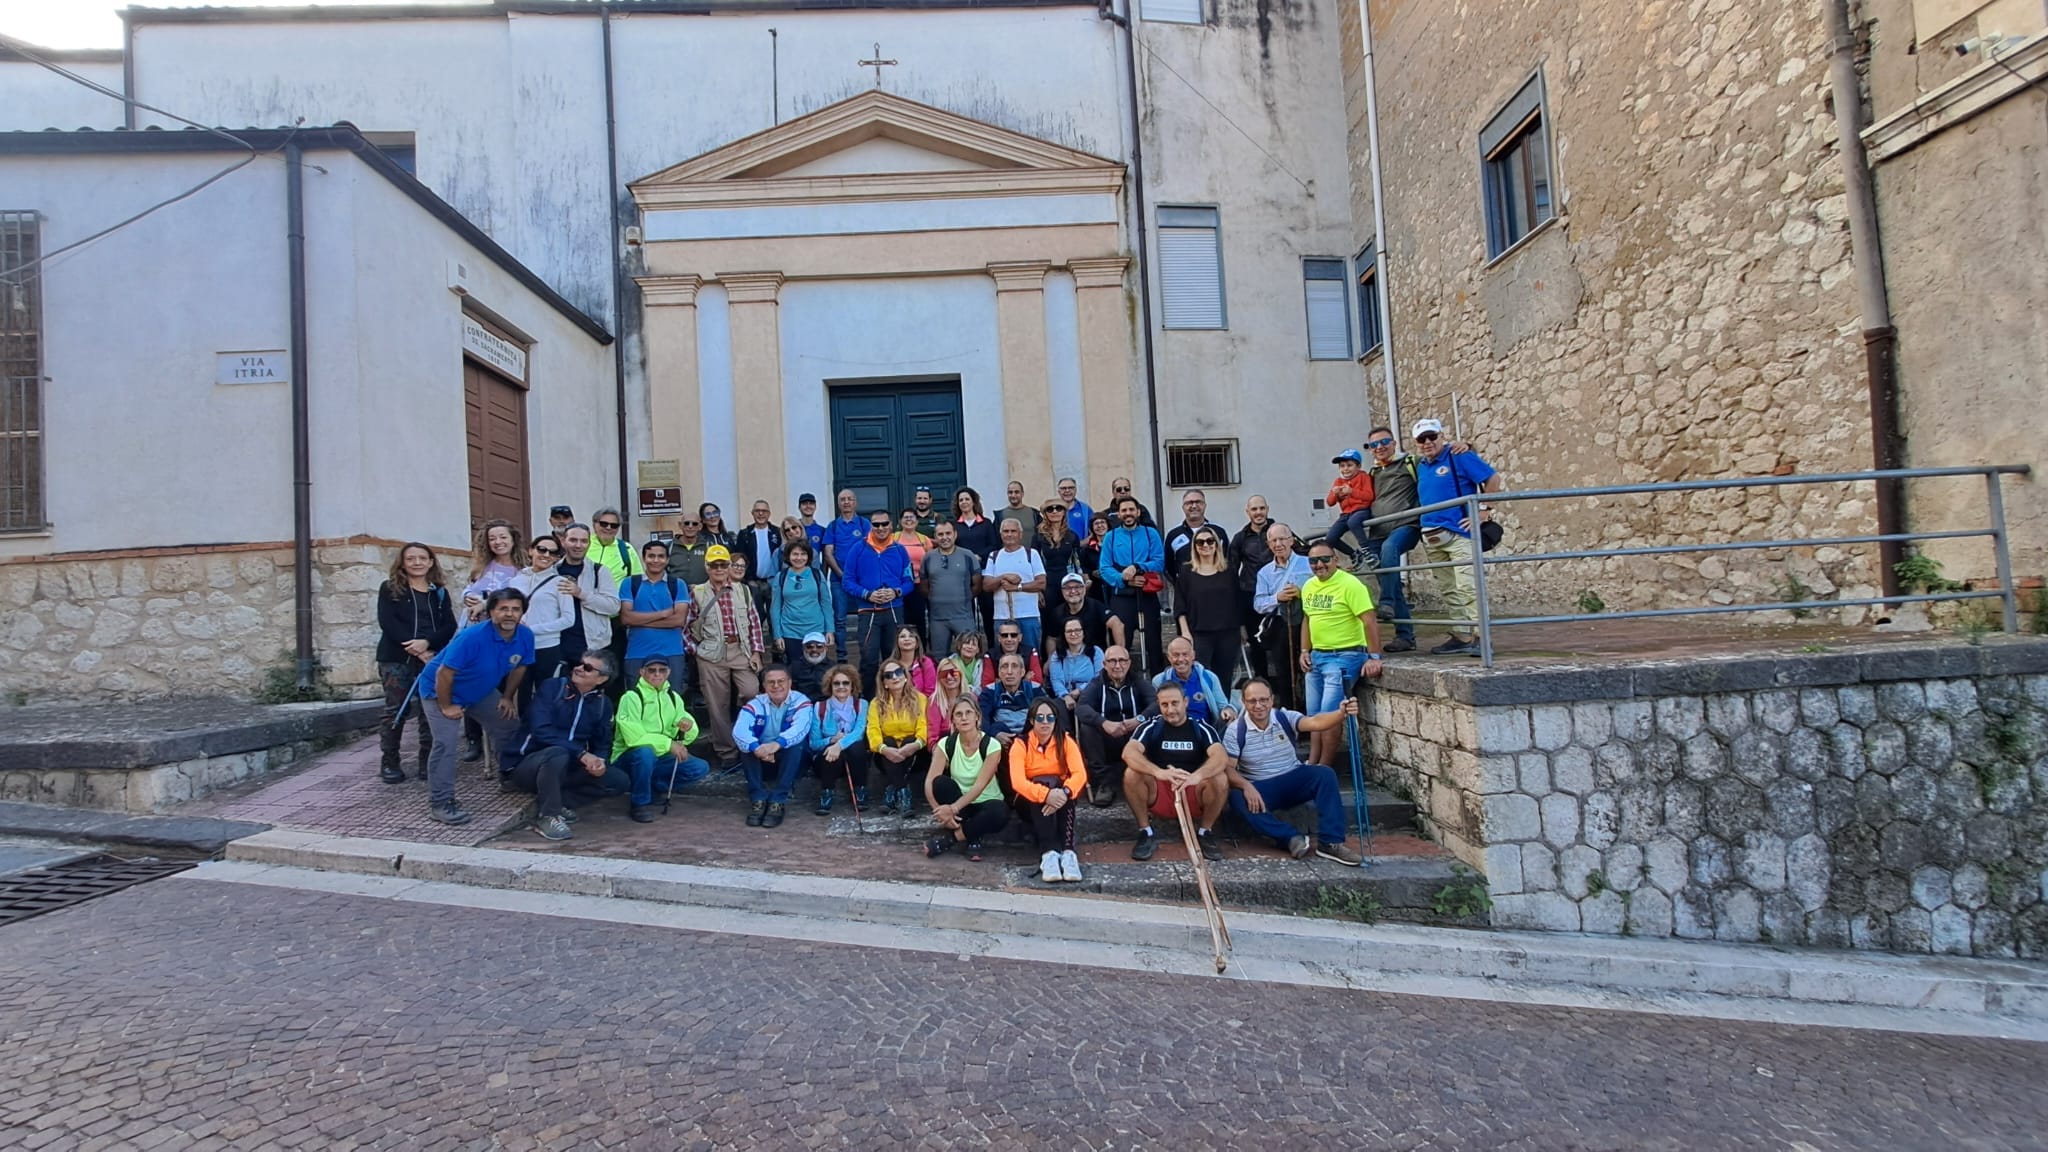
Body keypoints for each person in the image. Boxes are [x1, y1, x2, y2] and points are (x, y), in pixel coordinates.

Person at [419, 587, 534, 825]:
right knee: (446, 744)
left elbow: (521, 666)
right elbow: (444, 672)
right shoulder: (472, 637)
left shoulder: (525, 636)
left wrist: (506, 697)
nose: (509, 614)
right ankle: (441, 803)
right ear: (491, 612)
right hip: (440, 691)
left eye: (515, 609)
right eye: (503, 609)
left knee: (508, 724)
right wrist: (447, 706)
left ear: (522, 613)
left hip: (479, 691)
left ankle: (508, 774)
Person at [1223, 682, 1366, 865]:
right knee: (1236, 797)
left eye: (1263, 700)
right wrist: (1245, 785)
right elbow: (1228, 768)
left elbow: (1315, 722)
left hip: (1293, 777)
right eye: (1252, 701)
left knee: (1324, 774)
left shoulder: (1284, 717)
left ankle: (1330, 842)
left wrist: (1341, 713)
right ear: (1243, 702)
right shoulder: (1235, 730)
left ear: (1272, 699)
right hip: (1261, 787)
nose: (1258, 705)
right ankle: (1290, 838)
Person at [506, 651, 620, 841]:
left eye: (588, 668)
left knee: (618, 780)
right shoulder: (553, 688)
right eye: (580, 663)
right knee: (557, 753)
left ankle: (557, 801)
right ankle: (547, 816)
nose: (579, 668)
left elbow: (602, 742)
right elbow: (540, 730)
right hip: (528, 764)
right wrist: (581, 753)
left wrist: (599, 761)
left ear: (601, 679)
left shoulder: (603, 704)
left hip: (567, 768)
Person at [1409, 419, 1501, 655]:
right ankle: (1462, 635)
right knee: (1449, 588)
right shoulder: (1421, 465)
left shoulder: (1458, 455)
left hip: (1460, 531)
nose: (1428, 442)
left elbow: (1492, 478)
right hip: (1432, 534)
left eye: (1432, 437)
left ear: (1441, 436)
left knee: (1468, 586)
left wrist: (1484, 511)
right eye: (1422, 439)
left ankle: (1482, 637)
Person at [1299, 540, 1386, 768]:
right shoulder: (1308, 586)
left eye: (1324, 559)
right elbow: (1308, 620)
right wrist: (1304, 650)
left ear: (1336, 560)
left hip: (1344, 656)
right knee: (1314, 717)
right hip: (1317, 657)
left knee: (1329, 716)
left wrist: (1374, 657)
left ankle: (1325, 770)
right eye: (1313, 561)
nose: (1319, 564)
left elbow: (1369, 622)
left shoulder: (1351, 585)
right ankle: (1313, 762)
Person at [375, 542, 458, 783]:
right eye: (411, 558)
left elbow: (449, 625)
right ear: (402, 562)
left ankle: (426, 763)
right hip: (396, 658)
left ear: (431, 562)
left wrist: (427, 644)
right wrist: (413, 647)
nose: (417, 563)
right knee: (396, 709)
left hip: (431, 658)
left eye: (423, 558)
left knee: (429, 711)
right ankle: (389, 762)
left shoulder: (438, 592)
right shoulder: (390, 589)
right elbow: (388, 622)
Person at [1123, 681, 1228, 861]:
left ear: (1185, 702)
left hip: (1192, 789)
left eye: (1175, 703)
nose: (1170, 710)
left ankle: (1205, 832)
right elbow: (1129, 752)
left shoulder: (1200, 726)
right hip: (1161, 791)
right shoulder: (1151, 726)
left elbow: (1220, 757)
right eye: (1164, 704)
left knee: (1220, 778)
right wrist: (1159, 772)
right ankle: (1145, 832)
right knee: (1131, 774)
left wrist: (1197, 776)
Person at [685, 544, 765, 769]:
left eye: (723, 564)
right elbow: (687, 626)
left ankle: (748, 740)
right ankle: (727, 752)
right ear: (707, 567)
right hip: (711, 654)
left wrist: (757, 651)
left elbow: (754, 624)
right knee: (716, 705)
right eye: (714, 565)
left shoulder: (744, 590)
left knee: (751, 693)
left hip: (741, 650)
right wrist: (696, 651)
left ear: (729, 566)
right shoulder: (697, 592)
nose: (719, 569)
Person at [609, 653, 708, 823]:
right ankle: (639, 803)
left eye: (662, 670)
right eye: (652, 670)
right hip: (629, 756)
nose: (657, 674)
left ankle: (652, 788)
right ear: (642, 672)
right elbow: (634, 738)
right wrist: (669, 744)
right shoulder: (631, 697)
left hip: (661, 754)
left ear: (668, 672)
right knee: (645, 753)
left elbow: (684, 724)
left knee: (699, 767)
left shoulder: (672, 696)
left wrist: (689, 726)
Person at [519, 523, 621, 685]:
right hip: (554, 643)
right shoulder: (551, 570)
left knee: (587, 693)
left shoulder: (599, 571)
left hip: (590, 644)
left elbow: (613, 606)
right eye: (573, 540)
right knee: (553, 692)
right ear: (563, 541)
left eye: (583, 541)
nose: (578, 545)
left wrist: (581, 594)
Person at [1009, 700, 1087, 883]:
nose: (1045, 722)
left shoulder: (1065, 740)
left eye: (1050, 718)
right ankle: (1049, 853)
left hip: (1060, 797)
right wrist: (1046, 795)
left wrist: (1063, 793)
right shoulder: (1020, 744)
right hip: (1028, 802)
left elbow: (1080, 774)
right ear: (1031, 720)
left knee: (1064, 787)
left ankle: (1068, 853)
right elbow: (1018, 782)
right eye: (1040, 718)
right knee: (1044, 783)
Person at [923, 696, 1008, 861]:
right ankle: (973, 838)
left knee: (1000, 812)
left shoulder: (992, 745)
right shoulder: (945, 744)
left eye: (969, 712)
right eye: (959, 714)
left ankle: (950, 840)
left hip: (986, 801)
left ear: (977, 716)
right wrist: (940, 813)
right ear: (953, 720)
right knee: (939, 783)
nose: (964, 717)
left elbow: (980, 785)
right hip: (960, 802)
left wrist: (952, 809)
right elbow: (929, 781)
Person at [1073, 646, 1155, 807]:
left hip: (1134, 736)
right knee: (1087, 728)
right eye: (1112, 661)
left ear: (1129, 663)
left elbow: (1156, 703)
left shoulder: (1138, 681)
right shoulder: (1097, 684)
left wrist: (1139, 719)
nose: (1118, 665)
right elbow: (1081, 707)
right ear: (1104, 664)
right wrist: (1103, 722)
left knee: (1153, 725)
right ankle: (1104, 783)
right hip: (1107, 737)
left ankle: (1145, 779)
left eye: (1122, 660)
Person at [732, 665, 811, 827]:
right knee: (746, 745)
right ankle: (758, 799)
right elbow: (739, 730)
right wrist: (757, 748)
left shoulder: (801, 701)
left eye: (781, 681)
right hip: (764, 757)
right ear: (764, 686)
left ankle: (778, 801)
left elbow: (800, 729)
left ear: (790, 683)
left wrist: (776, 745)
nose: (776, 686)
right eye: (771, 682)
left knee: (795, 744)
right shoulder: (755, 703)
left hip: (791, 759)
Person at [842, 509, 913, 689]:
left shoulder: (899, 550)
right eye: (876, 524)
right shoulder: (858, 548)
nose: (880, 528)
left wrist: (896, 592)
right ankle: (868, 701)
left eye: (884, 524)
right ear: (870, 526)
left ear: (891, 525)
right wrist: (867, 594)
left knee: (895, 659)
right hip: (868, 612)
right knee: (868, 659)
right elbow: (847, 581)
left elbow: (909, 581)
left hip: (894, 610)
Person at [1099, 496, 1167, 673]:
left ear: (1137, 512)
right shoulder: (1111, 537)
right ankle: (1120, 681)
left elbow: (1159, 561)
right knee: (1121, 643)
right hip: (1122, 596)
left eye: (1131, 510)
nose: (1128, 513)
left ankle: (1157, 684)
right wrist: (1123, 579)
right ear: (1118, 514)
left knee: (1154, 643)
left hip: (1147, 594)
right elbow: (1105, 567)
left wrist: (1138, 567)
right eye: (1124, 510)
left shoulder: (1150, 533)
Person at [1252, 522, 1313, 711]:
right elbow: (1258, 604)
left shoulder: (1308, 563)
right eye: (1273, 540)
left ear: (1291, 541)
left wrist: (1301, 592)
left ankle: (1311, 714)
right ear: (1269, 545)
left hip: (1308, 623)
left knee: (1310, 670)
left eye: (1282, 539)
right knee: (1284, 673)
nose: (1278, 544)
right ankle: (1290, 717)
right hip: (1280, 625)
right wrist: (1277, 597)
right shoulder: (1265, 572)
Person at [1173, 524, 1241, 685]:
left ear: (1217, 544)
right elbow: (1179, 604)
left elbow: (1238, 601)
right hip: (1198, 633)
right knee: (1200, 678)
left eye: (1210, 541)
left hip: (1228, 633)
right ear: (1194, 546)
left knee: (1224, 678)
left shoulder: (1229, 570)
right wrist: (1185, 633)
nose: (1205, 545)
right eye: (1200, 542)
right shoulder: (1186, 572)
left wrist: (1242, 629)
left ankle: (1223, 710)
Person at [619, 538, 688, 687]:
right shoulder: (630, 583)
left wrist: (640, 620)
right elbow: (626, 618)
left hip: (672, 652)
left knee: (671, 699)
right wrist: (662, 614)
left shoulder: (678, 584)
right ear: (644, 558)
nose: (656, 560)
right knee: (637, 701)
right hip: (637, 652)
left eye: (661, 556)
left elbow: (678, 620)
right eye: (651, 556)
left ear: (667, 559)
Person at [867, 659, 930, 815]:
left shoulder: (920, 699)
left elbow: (924, 726)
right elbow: (873, 731)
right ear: (884, 683)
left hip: (916, 754)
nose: (895, 677)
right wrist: (884, 749)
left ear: (906, 676)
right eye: (889, 675)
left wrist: (916, 745)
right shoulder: (876, 704)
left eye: (898, 672)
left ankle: (892, 791)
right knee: (888, 740)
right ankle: (903, 794)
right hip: (886, 756)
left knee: (909, 739)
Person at [806, 664, 870, 816]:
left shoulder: (861, 705)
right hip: (827, 761)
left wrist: (839, 745)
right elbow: (813, 744)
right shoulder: (819, 707)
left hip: (855, 759)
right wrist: (831, 741)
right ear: (830, 685)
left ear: (852, 685)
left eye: (846, 683)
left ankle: (860, 790)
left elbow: (858, 733)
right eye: (837, 683)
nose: (841, 687)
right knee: (832, 752)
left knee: (857, 747)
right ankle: (827, 792)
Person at [982, 517, 1047, 653]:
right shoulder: (994, 556)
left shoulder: (1031, 554)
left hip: (1028, 615)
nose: (1009, 534)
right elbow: (987, 586)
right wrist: (1003, 577)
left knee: (1031, 654)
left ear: (1020, 534)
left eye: (1013, 531)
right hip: (1002, 616)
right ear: (1001, 534)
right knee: (1003, 656)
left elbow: (1041, 583)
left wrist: (1017, 587)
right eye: (1006, 531)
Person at [920, 519, 982, 660]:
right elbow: (924, 586)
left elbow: (977, 584)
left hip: (963, 616)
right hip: (938, 618)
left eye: (948, 533)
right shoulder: (928, 557)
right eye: (940, 534)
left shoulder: (967, 555)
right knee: (939, 658)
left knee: (969, 655)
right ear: (935, 537)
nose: (944, 537)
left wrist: (963, 598)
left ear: (955, 534)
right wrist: (936, 599)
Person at [1230, 496, 1275, 681]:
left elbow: (1300, 552)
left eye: (1261, 508)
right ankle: (1262, 681)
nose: (1258, 512)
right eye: (1254, 509)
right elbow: (1232, 569)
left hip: (1278, 595)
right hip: (1250, 596)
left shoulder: (1278, 532)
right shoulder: (1240, 538)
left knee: (1280, 642)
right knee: (1256, 644)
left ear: (1267, 509)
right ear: (1247, 512)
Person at [1151, 635, 1236, 728]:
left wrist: (1228, 710)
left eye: (1185, 654)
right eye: (1176, 655)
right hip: (1172, 731)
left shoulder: (1209, 677)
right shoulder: (1159, 681)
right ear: (1169, 657)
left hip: (1206, 731)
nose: (1180, 659)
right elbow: (1155, 711)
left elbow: (1223, 706)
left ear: (1193, 655)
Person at [768, 539, 832, 661]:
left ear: (808, 556)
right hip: (790, 631)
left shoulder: (817, 574)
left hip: (816, 629)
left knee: (817, 667)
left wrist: (830, 630)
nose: (799, 558)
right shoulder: (780, 577)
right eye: (795, 554)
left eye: (803, 554)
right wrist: (777, 635)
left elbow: (826, 603)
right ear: (788, 556)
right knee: (795, 668)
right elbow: (775, 608)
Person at [950, 486, 1000, 639]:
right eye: (961, 500)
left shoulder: (985, 523)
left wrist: (979, 556)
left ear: (973, 502)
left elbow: (994, 545)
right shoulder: (954, 526)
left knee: (988, 610)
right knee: (966, 611)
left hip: (984, 571)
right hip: (962, 573)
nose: (964, 502)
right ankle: (968, 643)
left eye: (967, 499)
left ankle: (991, 644)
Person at [822, 488, 867, 657]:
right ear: (838, 503)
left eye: (849, 499)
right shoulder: (833, 526)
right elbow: (828, 553)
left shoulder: (864, 524)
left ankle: (865, 652)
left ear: (855, 502)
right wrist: (842, 574)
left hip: (860, 581)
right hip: (838, 580)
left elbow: (871, 549)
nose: (846, 502)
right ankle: (842, 656)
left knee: (864, 616)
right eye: (843, 499)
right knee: (840, 620)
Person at [978, 652, 1048, 760]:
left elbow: (1048, 715)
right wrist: (995, 733)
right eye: (1004, 667)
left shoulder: (1035, 689)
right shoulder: (990, 691)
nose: (1009, 672)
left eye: (1014, 666)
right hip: (1003, 739)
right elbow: (982, 719)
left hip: (1029, 736)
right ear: (999, 673)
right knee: (996, 727)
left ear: (1022, 672)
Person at [1044, 571, 1120, 662]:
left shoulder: (1096, 606)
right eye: (1068, 588)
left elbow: (1117, 624)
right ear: (1062, 591)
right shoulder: (1057, 613)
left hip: (1096, 659)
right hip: (1068, 660)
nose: (1073, 591)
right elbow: (1052, 639)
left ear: (1084, 589)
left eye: (1077, 587)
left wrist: (1118, 653)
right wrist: (1050, 659)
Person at [462, 520, 526, 624]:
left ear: (513, 540)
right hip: (472, 624)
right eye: (492, 539)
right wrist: (466, 595)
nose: (497, 542)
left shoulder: (522, 571)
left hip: (499, 626)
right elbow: (470, 586)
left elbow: (516, 600)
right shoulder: (482, 565)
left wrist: (484, 605)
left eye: (503, 537)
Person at [1321, 450, 1378, 568]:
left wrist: (1352, 492)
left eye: (1349, 465)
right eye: (1342, 466)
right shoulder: (1339, 481)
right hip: (1346, 514)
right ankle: (1354, 554)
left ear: (1358, 466)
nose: (1345, 469)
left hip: (1361, 510)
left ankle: (1367, 551)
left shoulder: (1364, 477)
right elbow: (1330, 502)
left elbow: (1369, 496)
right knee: (1330, 538)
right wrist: (1335, 494)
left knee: (1353, 522)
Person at [1163, 489, 1229, 582]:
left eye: (1198, 502)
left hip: (1216, 587)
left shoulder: (1219, 533)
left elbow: (1226, 560)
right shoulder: (1173, 535)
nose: (1194, 506)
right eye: (1189, 503)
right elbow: (1168, 566)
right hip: (1186, 591)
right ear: (1183, 507)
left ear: (1205, 506)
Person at [1046, 616, 1103, 714]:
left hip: (1091, 693)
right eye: (1069, 631)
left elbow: (1100, 677)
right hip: (1066, 696)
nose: (1073, 634)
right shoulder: (1057, 654)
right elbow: (1056, 680)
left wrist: (1080, 690)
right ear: (1064, 634)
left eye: (1077, 630)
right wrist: (1065, 696)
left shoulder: (1095, 652)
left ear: (1083, 632)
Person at [894, 508, 933, 637]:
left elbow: (931, 561)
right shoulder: (893, 538)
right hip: (899, 585)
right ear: (900, 521)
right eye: (906, 517)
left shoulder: (924, 539)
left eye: (912, 517)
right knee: (902, 619)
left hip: (918, 584)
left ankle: (921, 650)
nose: (909, 520)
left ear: (917, 521)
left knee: (919, 619)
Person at [1033, 500, 1083, 592]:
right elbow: (1034, 565)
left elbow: (1077, 563)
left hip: (1069, 583)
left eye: (1059, 509)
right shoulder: (1038, 537)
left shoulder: (1072, 536)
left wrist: (1080, 583)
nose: (1054, 512)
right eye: (1050, 509)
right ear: (1045, 514)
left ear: (1064, 512)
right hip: (1047, 584)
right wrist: (1038, 591)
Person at [737, 500, 782, 600]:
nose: (760, 513)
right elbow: (740, 557)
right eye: (757, 511)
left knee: (772, 613)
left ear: (769, 514)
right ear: (752, 513)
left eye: (764, 511)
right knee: (756, 614)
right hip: (752, 583)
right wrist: (748, 579)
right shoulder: (744, 534)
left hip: (772, 582)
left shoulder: (778, 533)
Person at [589, 507, 643, 586]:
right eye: (604, 524)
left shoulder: (627, 549)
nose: (608, 528)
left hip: (616, 597)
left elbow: (637, 580)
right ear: (594, 525)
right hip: (584, 597)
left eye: (614, 525)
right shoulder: (583, 544)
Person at [982, 621, 1044, 688]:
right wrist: (1024, 681)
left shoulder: (1031, 652)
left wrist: (1000, 682)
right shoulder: (990, 655)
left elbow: (1037, 682)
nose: (1009, 639)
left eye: (1013, 635)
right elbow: (987, 685)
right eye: (1004, 635)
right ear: (999, 638)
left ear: (1020, 637)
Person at [888, 625, 939, 699]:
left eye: (911, 636)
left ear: (917, 642)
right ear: (897, 642)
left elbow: (930, 691)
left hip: (921, 705)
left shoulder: (925, 662)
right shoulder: (890, 665)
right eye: (902, 636)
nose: (907, 639)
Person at [927, 658, 970, 746]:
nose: (949, 677)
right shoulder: (934, 701)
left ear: (961, 674)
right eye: (944, 674)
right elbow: (932, 738)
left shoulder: (971, 698)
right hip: (943, 746)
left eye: (953, 672)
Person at [787, 631, 834, 700]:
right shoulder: (794, 667)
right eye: (809, 647)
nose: (814, 650)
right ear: (803, 649)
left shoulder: (833, 668)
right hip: (801, 705)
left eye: (819, 647)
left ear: (826, 649)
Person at [1077, 512, 1112, 606]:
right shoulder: (1087, 549)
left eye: (1102, 522)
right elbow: (1082, 567)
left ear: (1108, 525)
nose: (1100, 526)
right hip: (1096, 589)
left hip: (1114, 586)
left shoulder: (1116, 545)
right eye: (1096, 523)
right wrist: (1092, 573)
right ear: (1092, 528)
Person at [668, 512, 711, 587]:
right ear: (680, 525)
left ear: (700, 526)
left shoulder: (708, 546)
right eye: (686, 523)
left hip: (702, 593)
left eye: (694, 524)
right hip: (676, 593)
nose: (690, 527)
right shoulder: (669, 547)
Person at [1056, 476, 1093, 540]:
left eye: (1071, 488)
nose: (1067, 491)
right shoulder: (1052, 510)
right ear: (1059, 491)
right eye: (1063, 488)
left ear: (1075, 490)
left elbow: (1093, 531)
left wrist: (1084, 543)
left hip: (1081, 548)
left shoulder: (1086, 510)